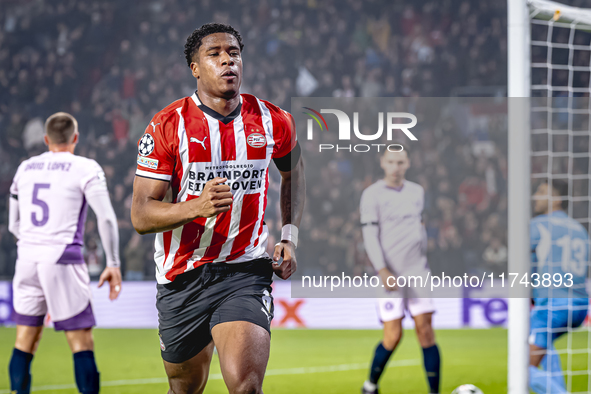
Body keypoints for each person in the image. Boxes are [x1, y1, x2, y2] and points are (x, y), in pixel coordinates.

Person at [130, 23, 305, 394]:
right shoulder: (167, 125)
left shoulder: (272, 119)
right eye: (215, 54)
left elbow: (294, 173)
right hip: (183, 277)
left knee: (246, 386)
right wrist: (197, 206)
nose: (228, 60)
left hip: (245, 270)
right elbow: (141, 215)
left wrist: (289, 236)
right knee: (185, 387)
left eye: (234, 53)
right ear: (195, 68)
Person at [7, 112, 122, 394]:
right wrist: (114, 262)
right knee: (81, 342)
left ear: (46, 140)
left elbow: (13, 224)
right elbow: (106, 218)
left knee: (25, 340)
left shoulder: (26, 168)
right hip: (62, 259)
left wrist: (34, 244)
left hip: (27, 259)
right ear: (76, 138)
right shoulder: (85, 167)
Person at [360, 147, 441, 394]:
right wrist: (382, 269)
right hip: (389, 273)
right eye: (392, 161)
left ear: (408, 163)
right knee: (393, 336)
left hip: (417, 271)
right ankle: (370, 385)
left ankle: (434, 392)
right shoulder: (371, 195)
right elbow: (370, 236)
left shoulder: (417, 191)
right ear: (383, 163)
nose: (396, 166)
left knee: (425, 331)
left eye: (401, 162)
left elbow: (420, 226)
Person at [529, 179, 589, 394]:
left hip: (553, 305)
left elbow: (521, 257)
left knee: (522, 368)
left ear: (557, 199)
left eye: (542, 191)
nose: (536, 196)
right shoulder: (580, 229)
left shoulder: (539, 225)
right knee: (546, 345)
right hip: (580, 304)